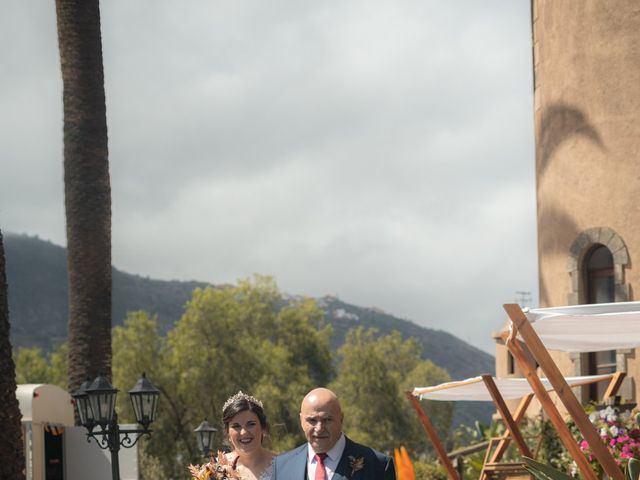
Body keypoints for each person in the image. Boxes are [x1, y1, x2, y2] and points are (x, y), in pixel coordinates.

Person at [273, 388, 396, 479]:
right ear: (301, 420)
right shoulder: (282, 466)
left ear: (341, 419)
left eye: (327, 420)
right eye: (312, 420)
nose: (319, 428)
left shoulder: (378, 465)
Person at [222, 391, 275, 480]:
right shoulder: (214, 469)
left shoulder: (283, 465)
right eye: (236, 426)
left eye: (251, 424)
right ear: (227, 432)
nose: (244, 432)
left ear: (263, 427)